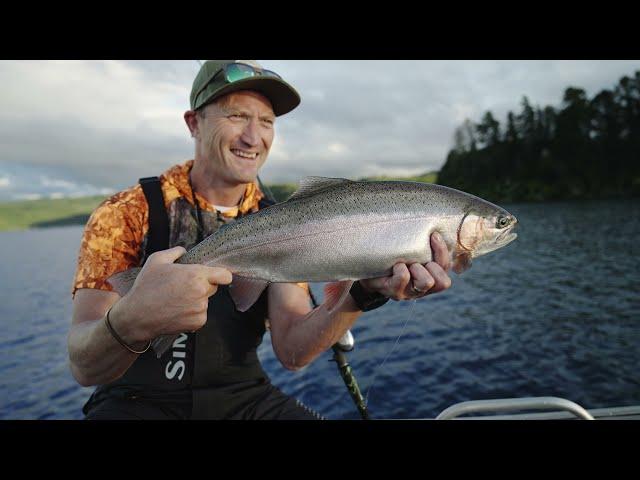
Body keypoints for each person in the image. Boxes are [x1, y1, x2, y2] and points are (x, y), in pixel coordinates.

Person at [67, 60, 453, 420]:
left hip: (244, 399)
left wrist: (364, 293)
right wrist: (132, 319)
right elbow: (84, 365)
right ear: (194, 123)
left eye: (266, 122)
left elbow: (293, 351)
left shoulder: (288, 219)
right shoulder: (127, 211)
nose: (253, 137)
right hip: (133, 404)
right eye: (236, 116)